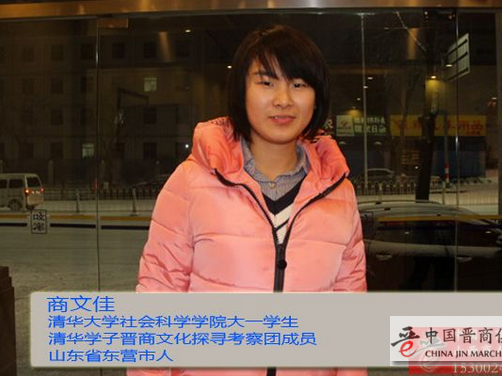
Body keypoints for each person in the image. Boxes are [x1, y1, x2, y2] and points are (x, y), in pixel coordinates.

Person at [128, 24, 367, 376]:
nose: (283, 99)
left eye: (299, 84)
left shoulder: (339, 193)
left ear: (317, 96)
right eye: (266, 83)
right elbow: (157, 299)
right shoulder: (192, 182)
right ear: (241, 91)